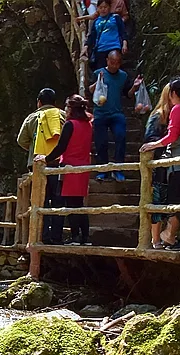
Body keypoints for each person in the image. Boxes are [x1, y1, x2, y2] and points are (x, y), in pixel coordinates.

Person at [141, 77, 180, 251]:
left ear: (174, 94)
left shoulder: (178, 109)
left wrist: (153, 145)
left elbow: (172, 136)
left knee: (177, 200)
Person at [42, 95, 95, 245]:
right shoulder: (88, 125)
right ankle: (85, 237)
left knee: (71, 203)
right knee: (79, 203)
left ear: (71, 108)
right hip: (84, 167)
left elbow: (61, 147)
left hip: (70, 167)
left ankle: (75, 237)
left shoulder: (70, 124)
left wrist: (45, 158)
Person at [88, 50, 142, 182]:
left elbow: (128, 94)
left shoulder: (123, 76)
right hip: (100, 113)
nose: (114, 66)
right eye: (112, 63)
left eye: (117, 63)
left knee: (120, 136)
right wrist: (98, 81)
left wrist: (134, 87)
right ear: (107, 61)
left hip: (116, 113)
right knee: (101, 143)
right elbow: (90, 90)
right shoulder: (98, 73)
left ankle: (118, 168)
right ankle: (102, 170)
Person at [144, 82, 172, 248]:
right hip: (159, 165)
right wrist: (165, 141)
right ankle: (155, 239)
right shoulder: (158, 116)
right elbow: (149, 138)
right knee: (157, 200)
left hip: (172, 164)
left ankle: (169, 236)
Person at [17, 88, 67, 168]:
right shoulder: (64, 115)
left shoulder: (31, 118)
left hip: (37, 161)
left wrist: (33, 145)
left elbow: (21, 140)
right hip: (58, 161)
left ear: (39, 102)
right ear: (54, 102)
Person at [81, 0, 127, 72]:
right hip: (101, 49)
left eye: (105, 7)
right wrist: (86, 46)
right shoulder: (96, 21)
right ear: (98, 8)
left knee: (114, 68)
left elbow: (122, 31)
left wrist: (124, 44)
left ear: (109, 7)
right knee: (101, 72)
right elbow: (92, 36)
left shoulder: (115, 17)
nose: (103, 9)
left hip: (114, 46)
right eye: (101, 7)